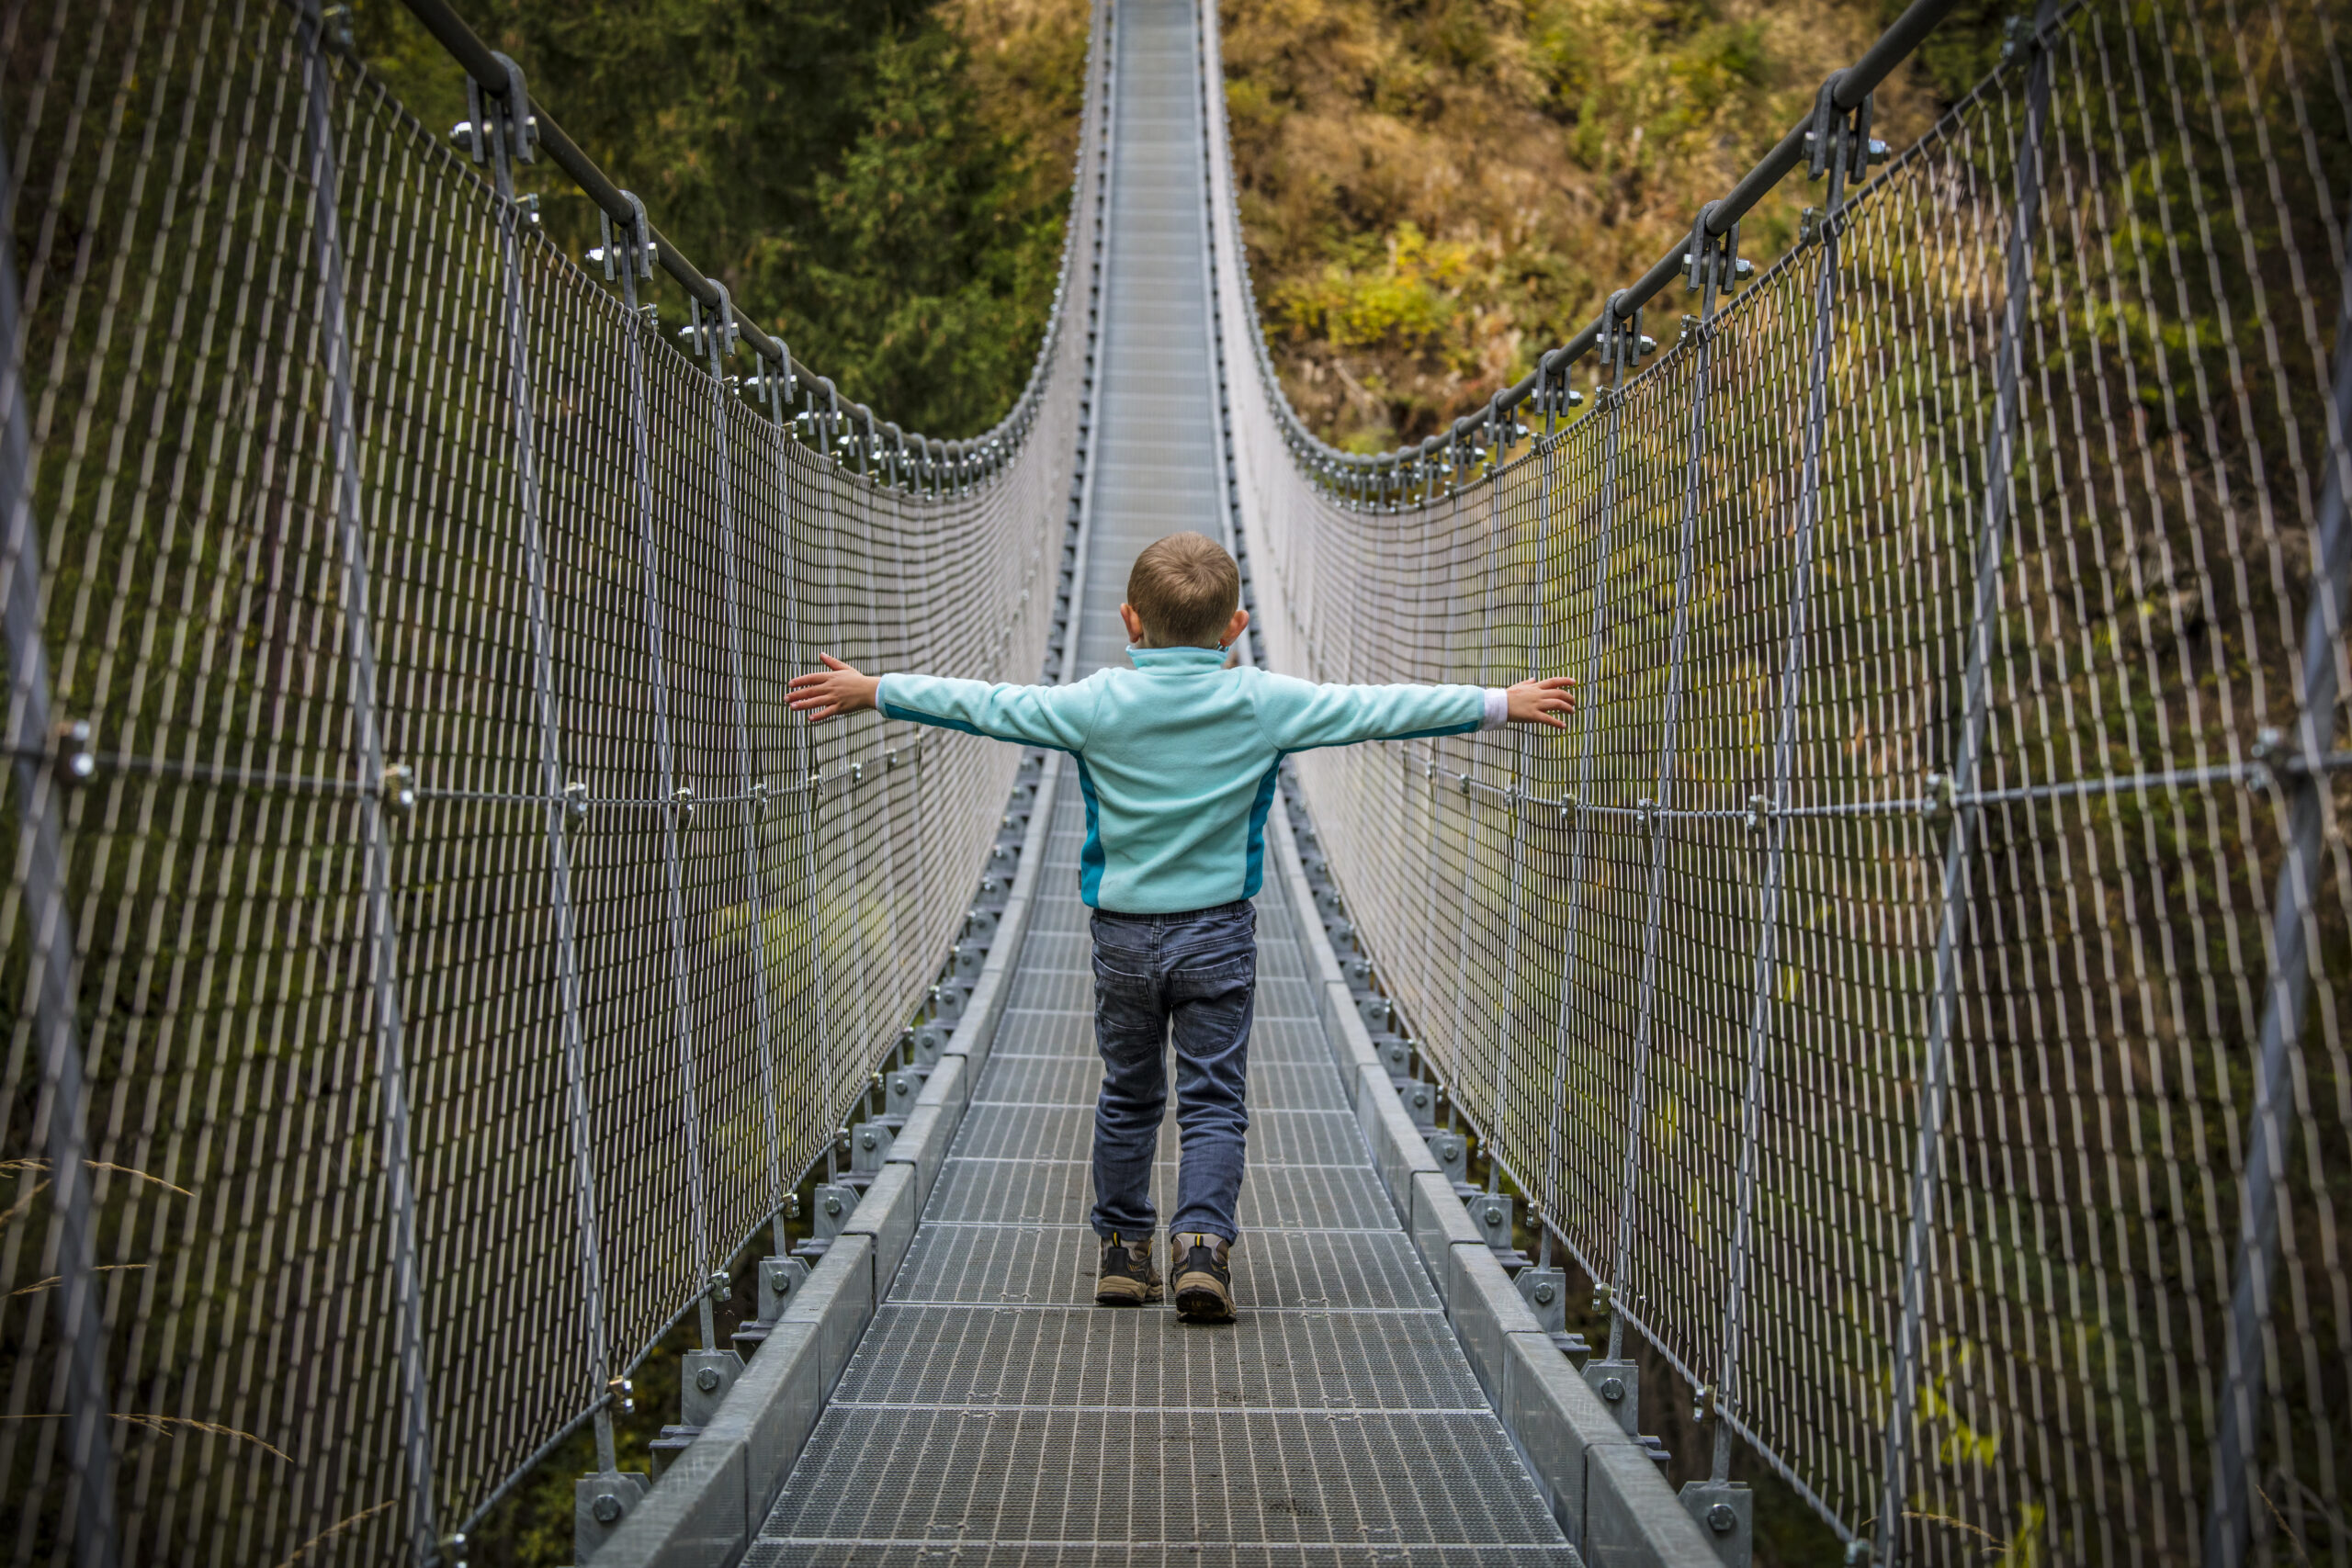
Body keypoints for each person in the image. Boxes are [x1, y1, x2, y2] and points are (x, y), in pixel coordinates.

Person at [787, 531, 1574, 1322]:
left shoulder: (1096, 701)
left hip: (1123, 940)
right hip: (1218, 935)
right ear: (1235, 629)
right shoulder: (1262, 701)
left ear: (1131, 622)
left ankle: (1124, 1251)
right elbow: (1374, 708)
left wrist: (876, 689)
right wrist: (1501, 702)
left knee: (1129, 1094)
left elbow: (989, 706)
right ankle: (1201, 1246)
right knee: (1212, 1101)